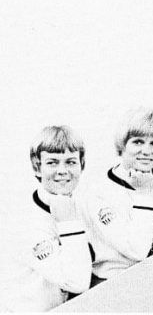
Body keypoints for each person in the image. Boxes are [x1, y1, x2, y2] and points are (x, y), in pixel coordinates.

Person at [80, 107, 153, 286]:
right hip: (119, 285)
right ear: (122, 146)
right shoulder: (98, 193)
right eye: (137, 142)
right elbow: (135, 250)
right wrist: (142, 195)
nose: (147, 150)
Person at [0, 126, 91, 311]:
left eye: (71, 162)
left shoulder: (76, 205)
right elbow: (78, 282)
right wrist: (69, 223)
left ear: (82, 165)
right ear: (37, 167)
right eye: (52, 162)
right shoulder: (26, 223)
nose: (62, 170)